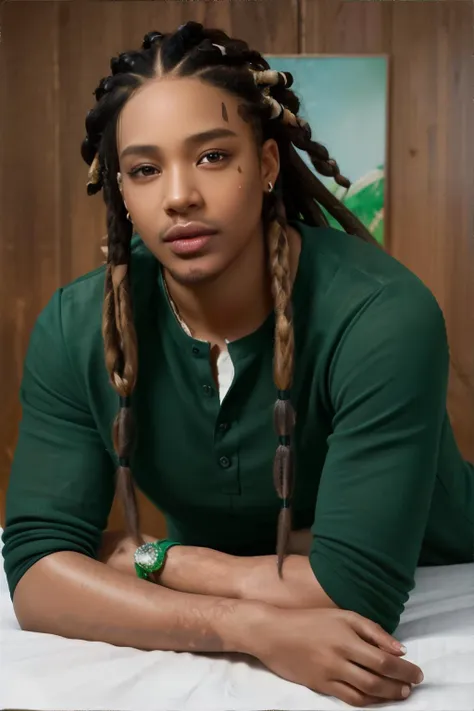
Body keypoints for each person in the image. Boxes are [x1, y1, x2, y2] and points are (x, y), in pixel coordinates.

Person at [2, 21, 473, 708]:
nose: (178, 195)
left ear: (269, 165)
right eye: (144, 169)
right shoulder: (80, 325)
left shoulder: (383, 316)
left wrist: (143, 554)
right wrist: (238, 624)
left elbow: (352, 588)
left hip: (440, 578)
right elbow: (37, 569)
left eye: (213, 156)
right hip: (248, 601)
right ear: (123, 195)